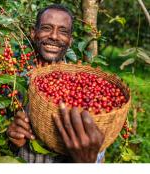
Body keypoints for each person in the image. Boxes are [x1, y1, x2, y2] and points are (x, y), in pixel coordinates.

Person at [6, 4, 105, 163]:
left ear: (70, 40)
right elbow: (0, 132)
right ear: (34, 33)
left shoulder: (83, 88)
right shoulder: (15, 82)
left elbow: (98, 149)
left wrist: (88, 161)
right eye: (46, 28)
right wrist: (11, 139)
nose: (54, 36)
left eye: (63, 31)